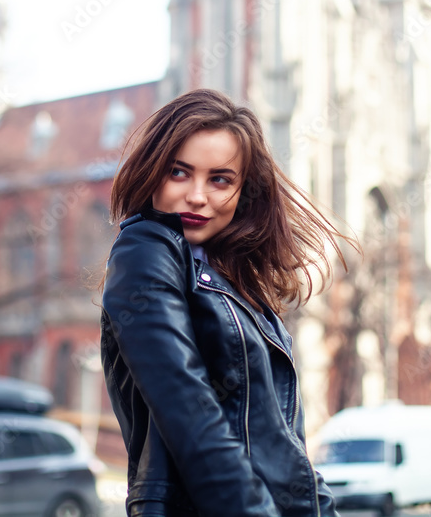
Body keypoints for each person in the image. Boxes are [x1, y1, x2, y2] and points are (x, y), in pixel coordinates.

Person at [100, 89, 355, 516]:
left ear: (243, 192)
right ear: (153, 173)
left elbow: (285, 444)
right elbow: (189, 412)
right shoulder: (144, 251)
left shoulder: (239, 287)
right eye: (179, 173)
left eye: (220, 179)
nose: (198, 196)